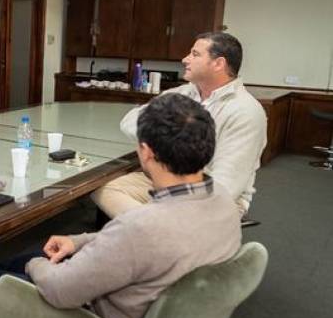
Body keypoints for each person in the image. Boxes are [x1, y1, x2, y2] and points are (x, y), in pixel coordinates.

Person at [0, 93, 242, 318]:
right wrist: (79, 242)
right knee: (32, 254)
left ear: (145, 151)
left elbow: (61, 290)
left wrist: (36, 265)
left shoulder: (142, 226)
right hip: (157, 300)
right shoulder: (225, 203)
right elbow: (134, 242)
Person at [93, 32, 267, 217]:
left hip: (211, 194)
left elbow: (226, 186)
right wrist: (163, 137)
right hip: (166, 180)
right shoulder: (183, 93)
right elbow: (130, 120)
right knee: (103, 190)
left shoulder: (246, 111)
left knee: (161, 217)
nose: (185, 59)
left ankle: (154, 229)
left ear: (218, 64)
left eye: (195, 54)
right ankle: (159, 229)